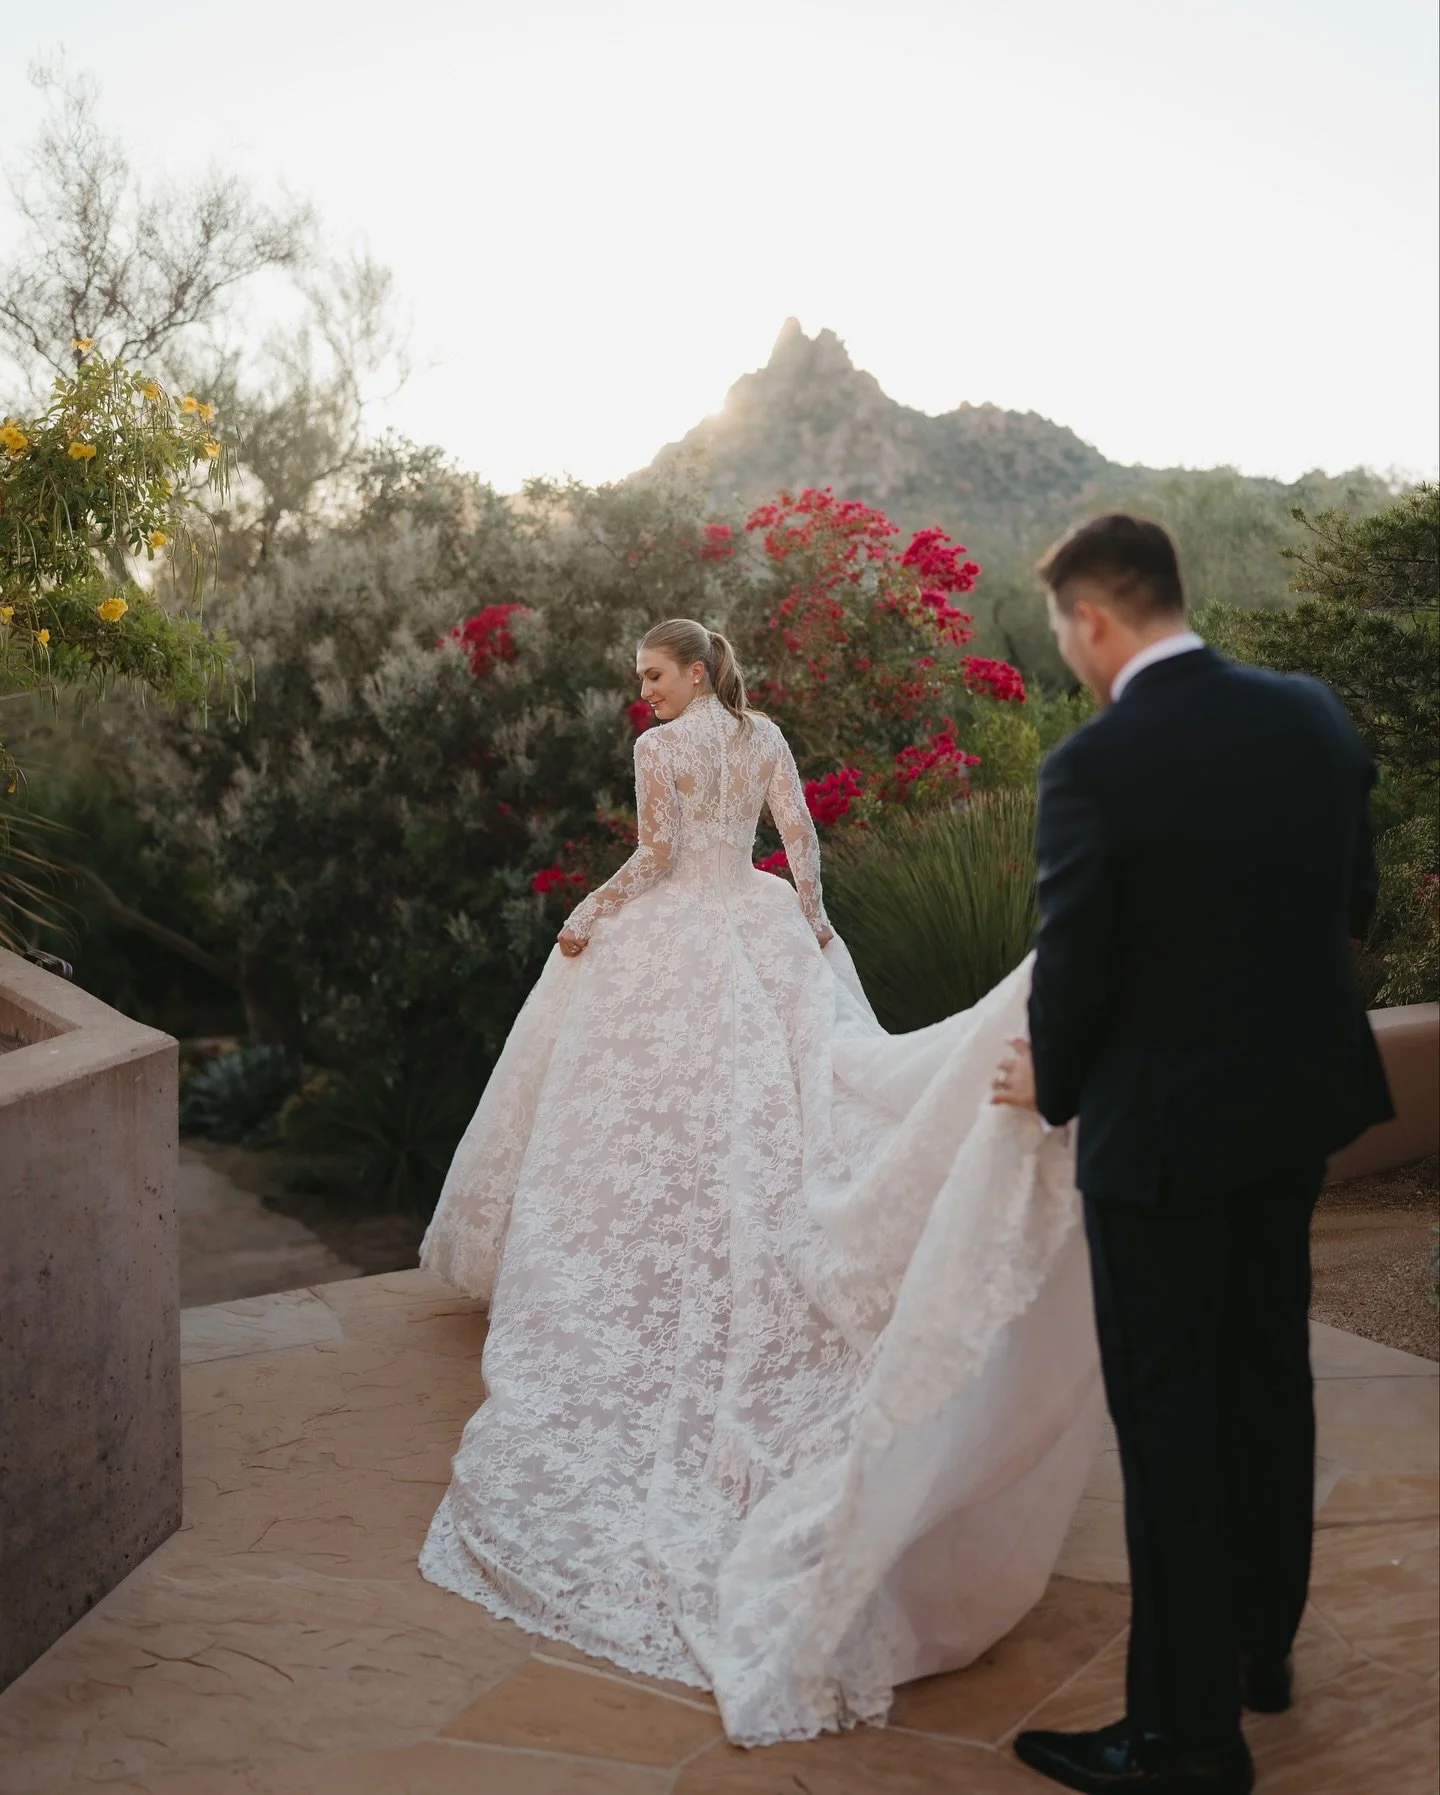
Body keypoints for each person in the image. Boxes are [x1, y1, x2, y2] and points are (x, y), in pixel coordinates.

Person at [419, 616, 1104, 1746]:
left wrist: (589, 911)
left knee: (653, 1105)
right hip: (759, 920)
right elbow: (800, 842)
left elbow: (650, 858)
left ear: (694, 671)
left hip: (681, 927)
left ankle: (639, 1262)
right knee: (771, 1115)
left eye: (652, 673)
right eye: (638, 679)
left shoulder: (661, 752)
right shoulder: (766, 731)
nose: (641, 693)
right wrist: (813, 923)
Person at [992, 514, 1392, 1795]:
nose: (1068, 656)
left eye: (1063, 632)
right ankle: (1258, 1652)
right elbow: (1354, 907)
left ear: (1093, 619)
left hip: (1163, 1136)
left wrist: (1049, 1074)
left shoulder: (1096, 763)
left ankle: (1183, 1739)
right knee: (1269, 1376)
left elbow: (1081, 967)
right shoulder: (1313, 717)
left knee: (1169, 1424)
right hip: (1294, 1112)